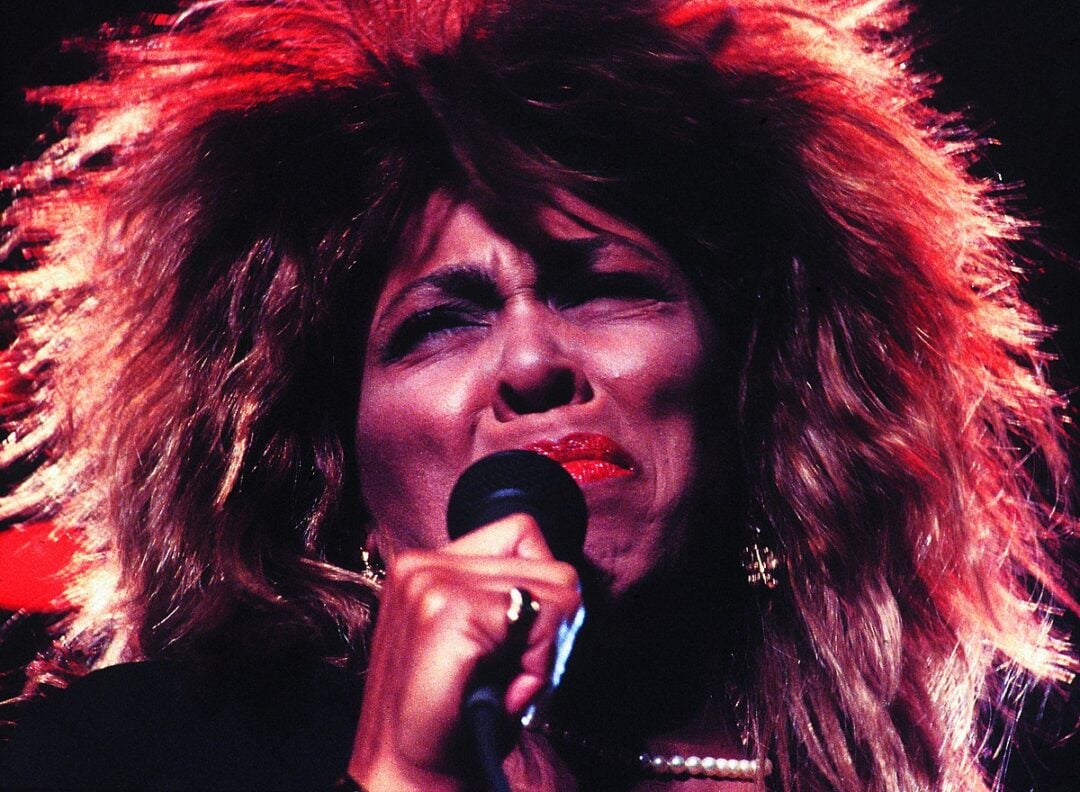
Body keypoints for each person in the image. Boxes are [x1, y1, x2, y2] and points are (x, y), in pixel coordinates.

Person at [0, 0, 1075, 789]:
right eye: (439, 323)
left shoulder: (1006, 760)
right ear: (339, 472)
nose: (530, 365)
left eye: (606, 289)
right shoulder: (124, 761)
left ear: (751, 386)